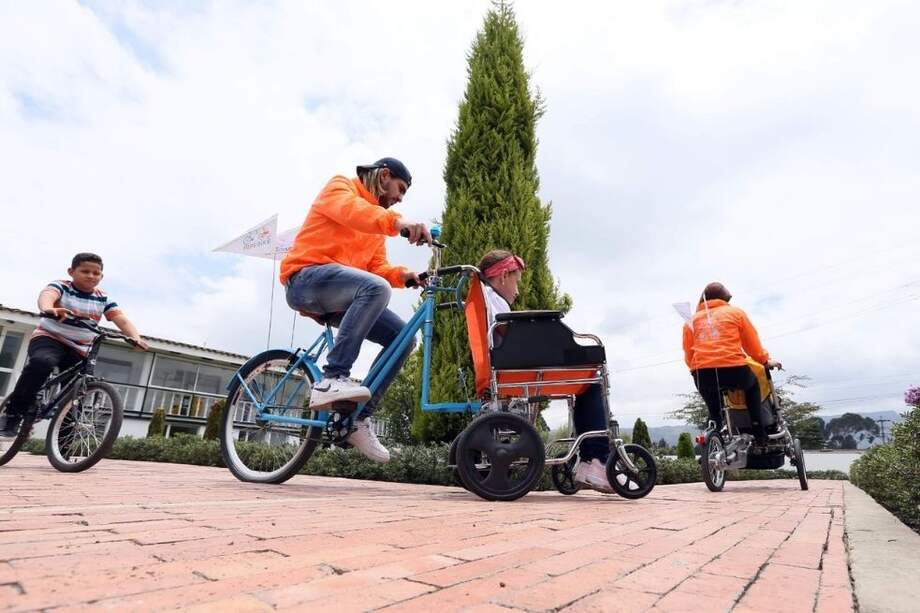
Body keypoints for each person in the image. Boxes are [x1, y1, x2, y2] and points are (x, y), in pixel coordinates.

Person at [280, 157, 431, 463]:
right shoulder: (341, 187)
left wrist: (405, 276)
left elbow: (378, 266)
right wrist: (398, 223)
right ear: (384, 175)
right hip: (306, 279)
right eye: (399, 189)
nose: (399, 198)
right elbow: (353, 213)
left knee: (403, 337)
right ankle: (333, 377)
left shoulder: (376, 226)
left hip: (343, 294)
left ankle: (357, 418)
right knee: (375, 288)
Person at [478, 249, 613, 492]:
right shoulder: (496, 303)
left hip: (509, 368)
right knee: (591, 382)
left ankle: (588, 462)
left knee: (587, 382)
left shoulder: (484, 297)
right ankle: (595, 461)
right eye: (516, 281)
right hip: (520, 370)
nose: (518, 291)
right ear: (503, 276)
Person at [0, 253, 148, 438]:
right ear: (71, 271)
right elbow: (47, 296)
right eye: (85, 271)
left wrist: (135, 337)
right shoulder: (62, 286)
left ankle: (64, 442)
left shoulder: (103, 298)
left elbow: (121, 319)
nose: (91, 276)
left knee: (76, 392)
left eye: (96, 273)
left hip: (80, 348)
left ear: (101, 276)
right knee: (42, 363)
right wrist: (48, 308)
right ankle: (13, 413)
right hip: (50, 338)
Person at [682, 282, 781, 443]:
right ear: (724, 299)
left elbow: (688, 353)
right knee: (752, 385)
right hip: (734, 370)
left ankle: (713, 444)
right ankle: (758, 429)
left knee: (714, 413)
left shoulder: (691, 321)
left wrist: (697, 368)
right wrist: (764, 360)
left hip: (701, 373)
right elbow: (752, 346)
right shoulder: (735, 313)